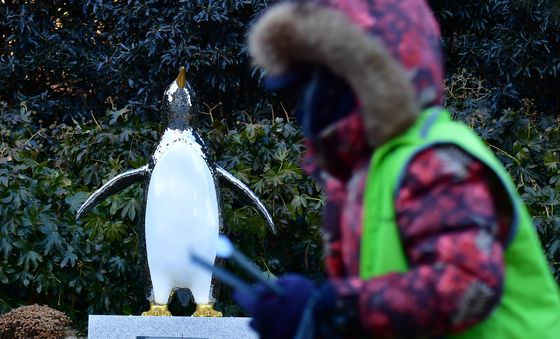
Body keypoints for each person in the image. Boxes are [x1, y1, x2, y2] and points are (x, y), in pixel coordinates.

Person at [234, 0, 560, 338]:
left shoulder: (431, 160)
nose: (306, 102)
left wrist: (332, 309)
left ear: (366, 76)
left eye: (316, 80)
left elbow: (466, 285)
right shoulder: (372, 171)